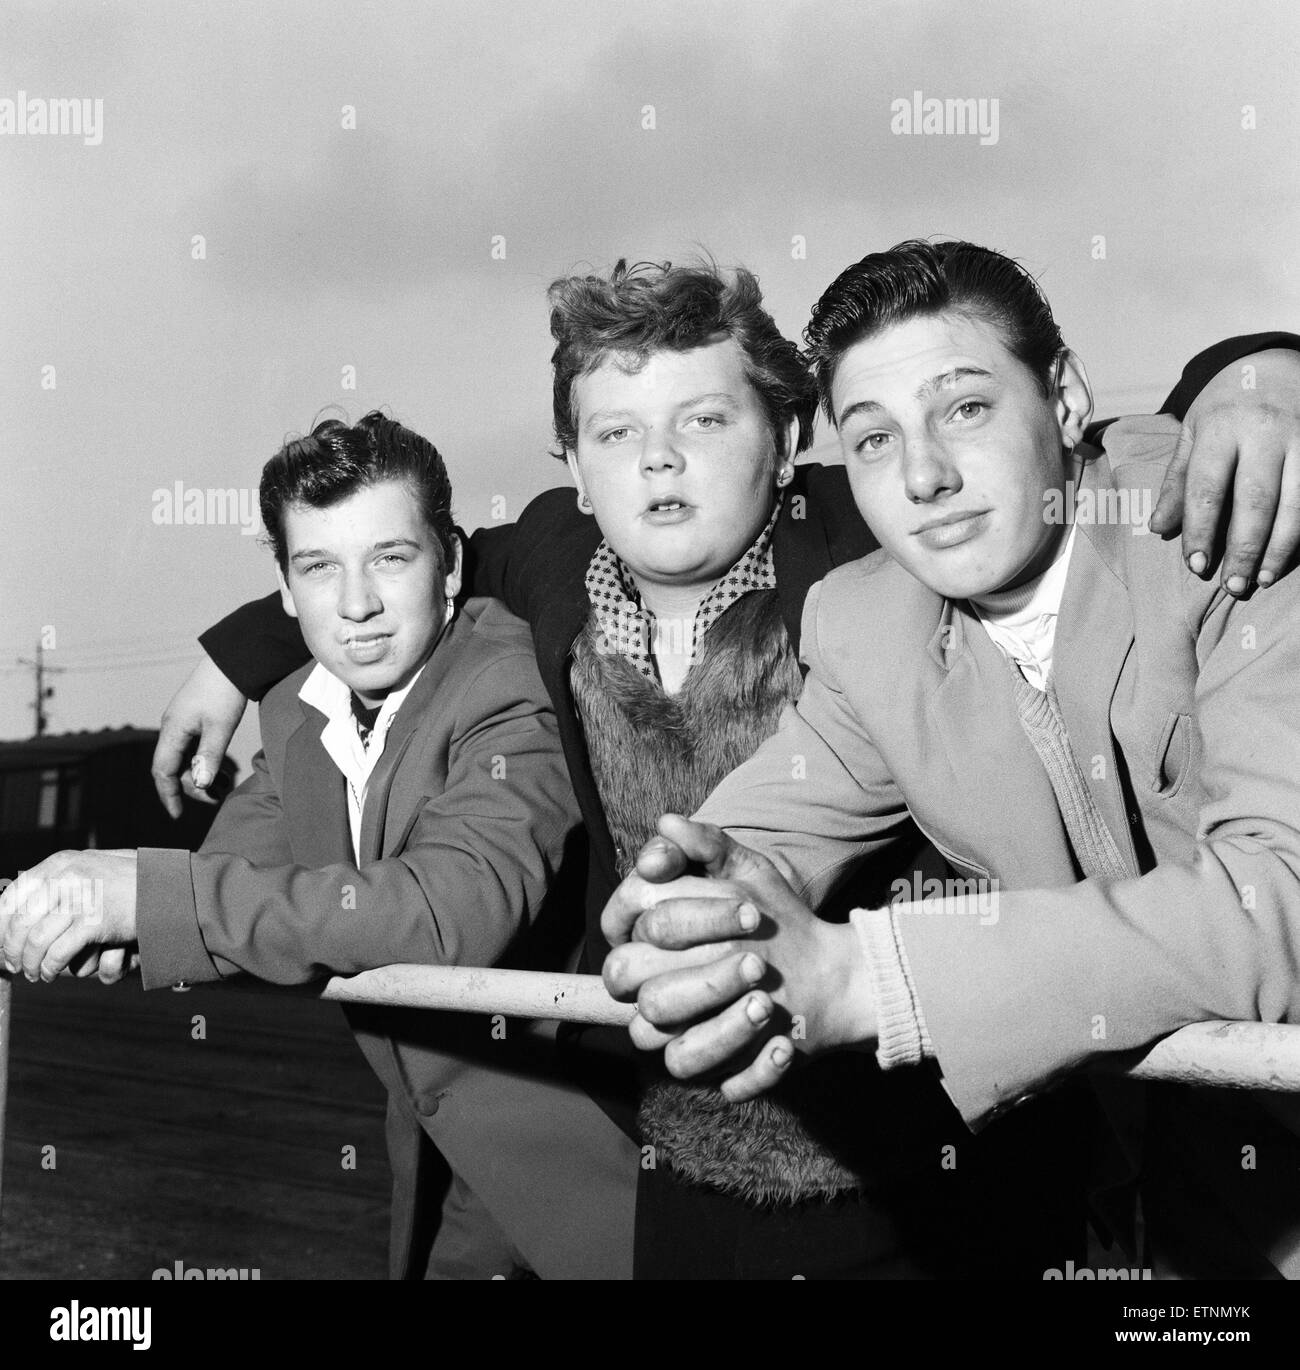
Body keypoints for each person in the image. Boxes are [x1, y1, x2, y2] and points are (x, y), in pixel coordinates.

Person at [151, 260, 1300, 1278]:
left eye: (702, 422)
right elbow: (396, 560)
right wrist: (234, 653)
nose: (657, 463)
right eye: (615, 435)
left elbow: (1177, 439)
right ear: (575, 467)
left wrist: (1258, 371)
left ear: (791, 440)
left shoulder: (875, 543)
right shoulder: (593, 569)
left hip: (949, 1151)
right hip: (694, 1140)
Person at [600, 241, 1300, 1277]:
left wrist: (875, 977)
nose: (923, 475)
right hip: (1186, 1187)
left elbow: (1277, 901)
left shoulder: (1231, 509)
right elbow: (770, 821)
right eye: (875, 438)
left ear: (1062, 400)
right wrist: (690, 903)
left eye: (964, 408)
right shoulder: (865, 623)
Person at [0, 412, 638, 1280]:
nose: (357, 604)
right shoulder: (300, 710)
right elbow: (239, 885)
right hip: (446, 1176)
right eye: (320, 567)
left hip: (598, 1187)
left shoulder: (511, 681)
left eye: (390, 558)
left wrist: (146, 896)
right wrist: (104, 921)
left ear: (448, 561)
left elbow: (449, 916)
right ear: (285, 586)